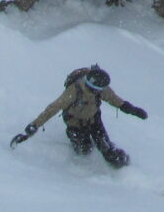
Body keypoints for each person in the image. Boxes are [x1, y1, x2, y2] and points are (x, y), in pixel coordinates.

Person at [9, 65, 148, 168]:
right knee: (84, 150)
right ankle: (81, 164)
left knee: (107, 149)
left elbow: (114, 99)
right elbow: (52, 109)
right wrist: (33, 126)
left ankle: (124, 167)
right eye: (98, 89)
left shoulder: (101, 89)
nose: (100, 91)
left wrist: (132, 110)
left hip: (94, 121)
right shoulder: (73, 91)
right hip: (75, 123)